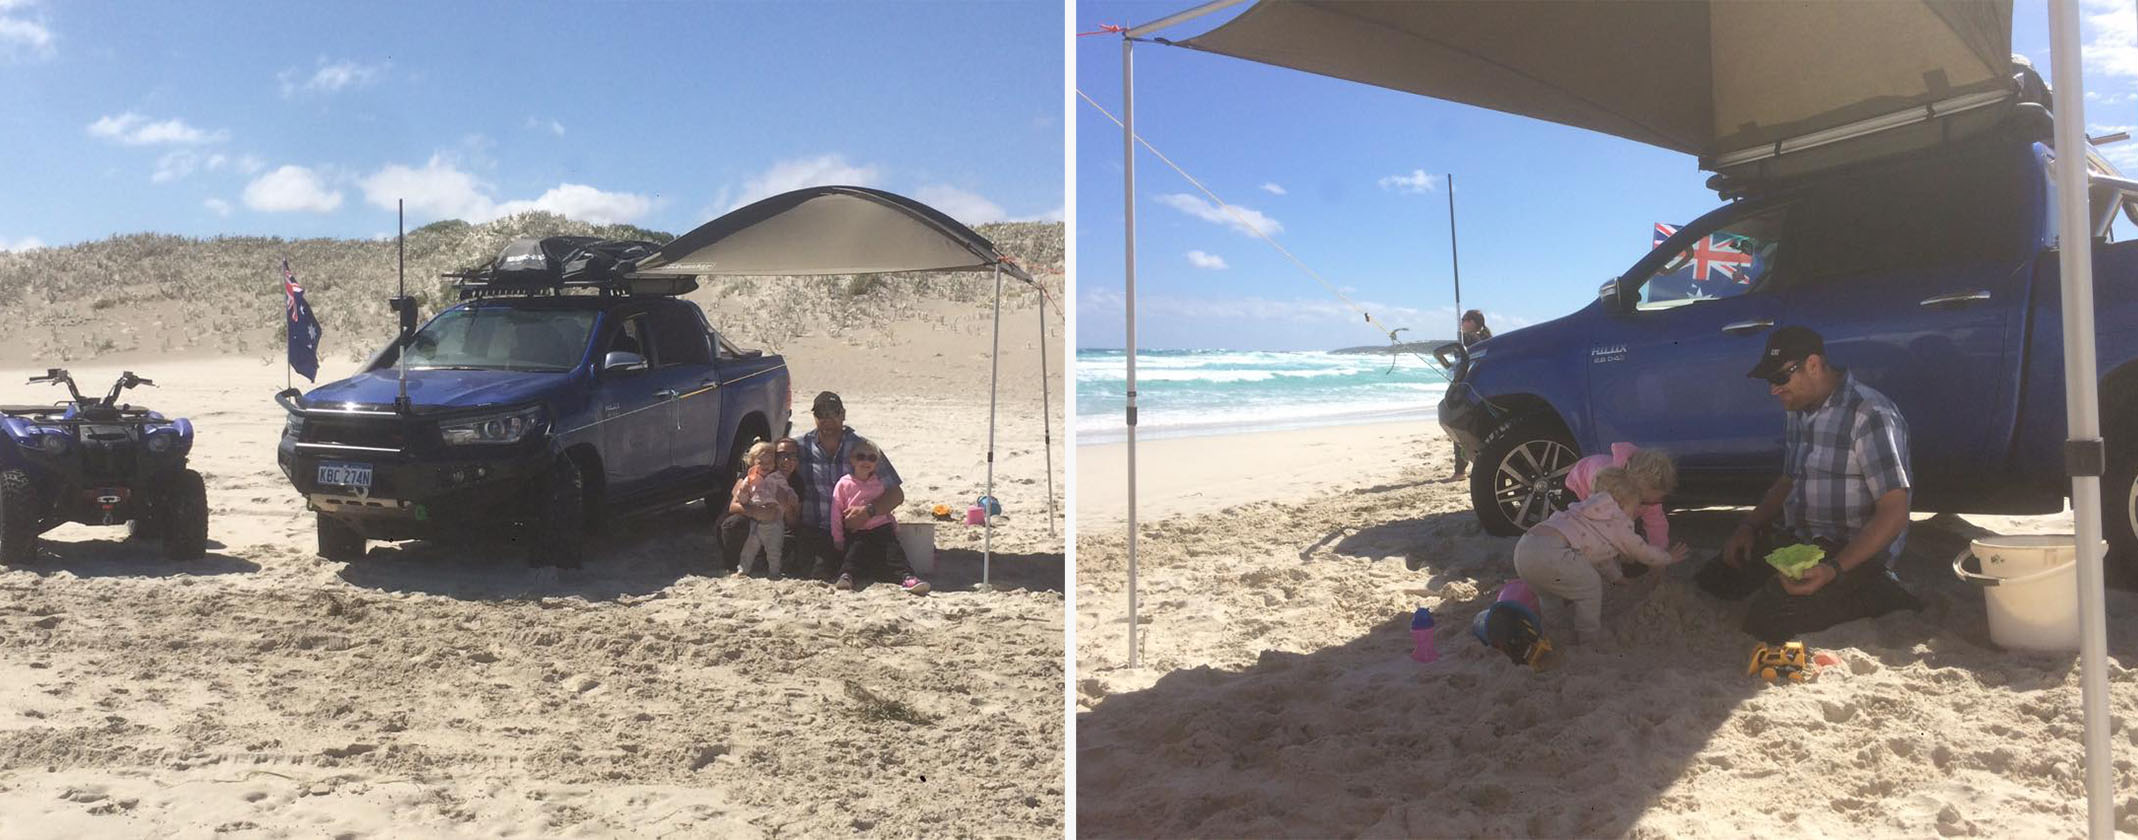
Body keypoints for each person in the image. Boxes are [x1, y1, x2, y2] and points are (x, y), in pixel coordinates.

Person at [1693, 326, 1924, 642]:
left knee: (1771, 619)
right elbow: (1788, 480)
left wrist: (1834, 570)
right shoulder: (1797, 410)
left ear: (1813, 365)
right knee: (1715, 579)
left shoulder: (1870, 413)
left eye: (1780, 378)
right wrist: (1748, 526)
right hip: (1801, 544)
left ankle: (1882, 592)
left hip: (1850, 552)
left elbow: (1894, 513)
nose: (1774, 390)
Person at [1513, 464, 1690, 648]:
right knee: (1590, 587)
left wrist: (1618, 578)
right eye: (1634, 507)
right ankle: (1589, 639)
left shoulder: (1588, 511)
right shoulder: (1616, 520)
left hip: (1525, 549)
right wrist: (1667, 557)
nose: (1634, 513)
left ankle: (1554, 629)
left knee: (1548, 593)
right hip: (1552, 554)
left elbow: (1601, 556)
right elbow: (1641, 550)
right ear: (1623, 504)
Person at [792, 391, 918, 584]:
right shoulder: (800, 447)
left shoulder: (864, 449)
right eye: (820, 414)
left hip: (860, 530)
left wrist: (868, 511)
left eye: (833, 413)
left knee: (883, 570)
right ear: (814, 417)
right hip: (818, 530)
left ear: (843, 414)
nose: (827, 419)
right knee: (820, 574)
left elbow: (896, 494)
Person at [831, 439, 928, 594]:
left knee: (894, 554)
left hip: (881, 527)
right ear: (852, 460)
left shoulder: (879, 483)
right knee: (854, 554)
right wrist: (838, 537)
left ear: (877, 463)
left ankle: (907, 577)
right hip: (857, 530)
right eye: (861, 456)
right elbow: (836, 511)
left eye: (872, 458)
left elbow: (886, 509)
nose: (866, 461)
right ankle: (847, 576)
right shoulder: (844, 484)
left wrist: (894, 527)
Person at [716, 436, 802, 574]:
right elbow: (734, 506)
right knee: (736, 524)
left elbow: (794, 522)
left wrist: (785, 505)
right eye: (781, 455)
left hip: (773, 525)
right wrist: (756, 512)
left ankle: (766, 564)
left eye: (792, 456)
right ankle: (734, 564)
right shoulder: (752, 474)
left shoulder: (796, 481)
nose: (786, 460)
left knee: (787, 539)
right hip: (746, 522)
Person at [1565, 442, 1673, 551]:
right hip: (1579, 484)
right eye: (1644, 502)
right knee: (1584, 535)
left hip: (1611, 494)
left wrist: (1660, 552)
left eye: (1656, 502)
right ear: (1631, 492)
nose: (1652, 505)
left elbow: (1656, 524)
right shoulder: (1606, 487)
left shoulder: (1650, 498)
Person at [1450, 309, 1492, 480]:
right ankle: (1466, 468)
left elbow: (1461, 354)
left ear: (1473, 322)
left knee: (1460, 427)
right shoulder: (1488, 340)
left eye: (1465, 319)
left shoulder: (1468, 338)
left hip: (1469, 389)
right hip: (1483, 390)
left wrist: (1459, 336)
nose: (1462, 322)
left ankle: (1460, 471)